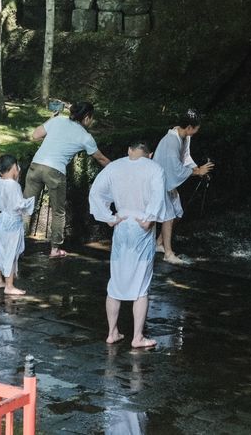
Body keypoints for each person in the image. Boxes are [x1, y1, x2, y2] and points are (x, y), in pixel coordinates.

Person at [89, 141, 170, 349]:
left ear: (129, 151)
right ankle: (137, 337)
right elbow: (159, 195)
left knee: (116, 281)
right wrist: (150, 218)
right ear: (149, 155)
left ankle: (112, 332)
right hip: (142, 227)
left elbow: (96, 192)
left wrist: (107, 216)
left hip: (122, 224)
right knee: (141, 284)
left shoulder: (115, 167)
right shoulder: (154, 168)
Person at [25, 101, 111, 258]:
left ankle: (16, 245)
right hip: (55, 171)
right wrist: (121, 169)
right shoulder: (86, 137)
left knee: (25, 207)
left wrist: (51, 120)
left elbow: (35, 135)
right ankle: (55, 249)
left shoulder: (57, 120)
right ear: (86, 117)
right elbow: (101, 159)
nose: (91, 121)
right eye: (91, 118)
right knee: (58, 212)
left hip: (36, 166)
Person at [153, 109, 215, 265]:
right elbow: (174, 167)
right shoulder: (171, 141)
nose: (197, 130)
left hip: (167, 180)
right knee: (168, 216)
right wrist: (197, 171)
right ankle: (168, 253)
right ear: (189, 127)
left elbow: (185, 158)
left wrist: (198, 170)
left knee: (178, 213)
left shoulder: (185, 137)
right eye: (196, 127)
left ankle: (158, 243)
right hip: (158, 181)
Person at [0, 154, 34, 296]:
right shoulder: (14, 185)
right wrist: (29, 203)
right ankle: (9, 286)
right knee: (11, 251)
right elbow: (18, 205)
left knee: (1, 248)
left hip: (2, 219)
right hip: (13, 221)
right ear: (14, 168)